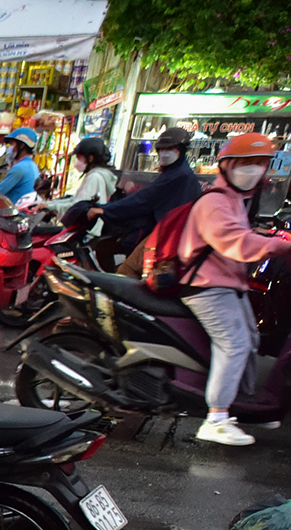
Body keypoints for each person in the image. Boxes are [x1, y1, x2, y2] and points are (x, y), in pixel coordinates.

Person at [175, 133, 291, 446]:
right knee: (235, 343)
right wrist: (277, 247)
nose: (254, 170)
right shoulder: (214, 201)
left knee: (251, 339)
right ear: (226, 166)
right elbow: (232, 241)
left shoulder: (236, 201)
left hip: (228, 284)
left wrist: (270, 239)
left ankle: (243, 406)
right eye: (246, 163)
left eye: (260, 164)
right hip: (207, 286)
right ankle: (215, 417)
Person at [88, 125, 201, 259]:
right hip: (170, 234)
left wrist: (105, 210)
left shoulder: (178, 175)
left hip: (168, 237)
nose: (164, 153)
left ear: (181, 151)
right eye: (162, 149)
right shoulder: (176, 173)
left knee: (128, 269)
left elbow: (144, 199)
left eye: (170, 149)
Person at [37, 136, 117, 229]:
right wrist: (50, 204)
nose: (77, 162)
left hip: (86, 231)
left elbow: (78, 206)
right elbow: (75, 200)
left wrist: (50, 207)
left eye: (79, 158)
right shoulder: (99, 175)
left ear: (90, 158)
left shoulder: (94, 177)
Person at [0, 127, 41, 206]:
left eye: (12, 144)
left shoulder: (20, 168)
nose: (10, 148)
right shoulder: (31, 165)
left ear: (22, 145)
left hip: (14, 212)